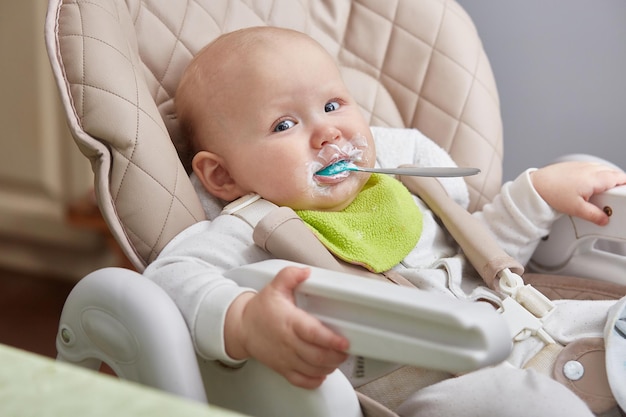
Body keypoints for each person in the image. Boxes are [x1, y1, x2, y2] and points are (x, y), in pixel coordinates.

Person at [145, 26, 626, 416]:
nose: (328, 131)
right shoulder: (248, 229)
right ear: (222, 174)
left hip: (547, 333)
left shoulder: (400, 191)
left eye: (332, 106)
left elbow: (485, 260)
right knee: (518, 404)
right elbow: (168, 282)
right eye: (284, 125)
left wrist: (536, 193)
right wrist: (246, 321)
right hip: (445, 385)